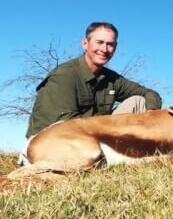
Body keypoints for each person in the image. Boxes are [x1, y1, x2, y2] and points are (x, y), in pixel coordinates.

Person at [25, 22, 162, 138]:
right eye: (99, 42)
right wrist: (110, 127)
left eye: (110, 44)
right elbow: (66, 125)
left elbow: (150, 93)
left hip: (92, 135)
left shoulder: (111, 78)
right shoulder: (64, 75)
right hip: (53, 139)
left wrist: (151, 114)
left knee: (138, 101)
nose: (104, 49)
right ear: (85, 43)